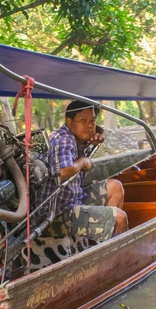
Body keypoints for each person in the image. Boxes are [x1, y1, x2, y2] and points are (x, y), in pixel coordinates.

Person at [38, 100, 128, 242]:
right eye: (83, 120)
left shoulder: (75, 135)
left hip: (73, 201)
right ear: (69, 121)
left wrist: (101, 134)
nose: (89, 125)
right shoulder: (64, 139)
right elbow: (62, 173)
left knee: (115, 187)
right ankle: (115, 249)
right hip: (56, 215)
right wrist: (83, 162)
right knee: (120, 218)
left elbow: (97, 129)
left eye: (92, 121)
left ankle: (105, 238)